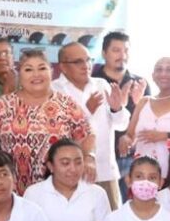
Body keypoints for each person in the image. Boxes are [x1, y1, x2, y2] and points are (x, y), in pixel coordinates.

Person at [0, 50, 96, 194]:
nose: (36, 74)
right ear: (19, 74)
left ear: (51, 72)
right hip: (11, 191)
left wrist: (89, 158)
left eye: (42, 68)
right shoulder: (4, 104)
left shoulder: (66, 104)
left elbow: (87, 136)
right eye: (28, 69)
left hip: (56, 189)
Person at [53, 42, 129, 209]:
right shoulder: (54, 90)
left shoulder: (101, 84)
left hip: (104, 170)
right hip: (70, 175)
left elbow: (121, 125)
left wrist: (117, 108)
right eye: (78, 62)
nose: (86, 66)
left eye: (88, 60)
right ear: (63, 67)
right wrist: (87, 112)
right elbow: (57, 133)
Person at [92, 31, 150, 194]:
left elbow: (150, 119)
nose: (122, 55)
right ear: (104, 53)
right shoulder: (93, 82)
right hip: (100, 161)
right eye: (116, 50)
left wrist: (132, 136)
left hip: (131, 159)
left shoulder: (140, 83)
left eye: (126, 50)